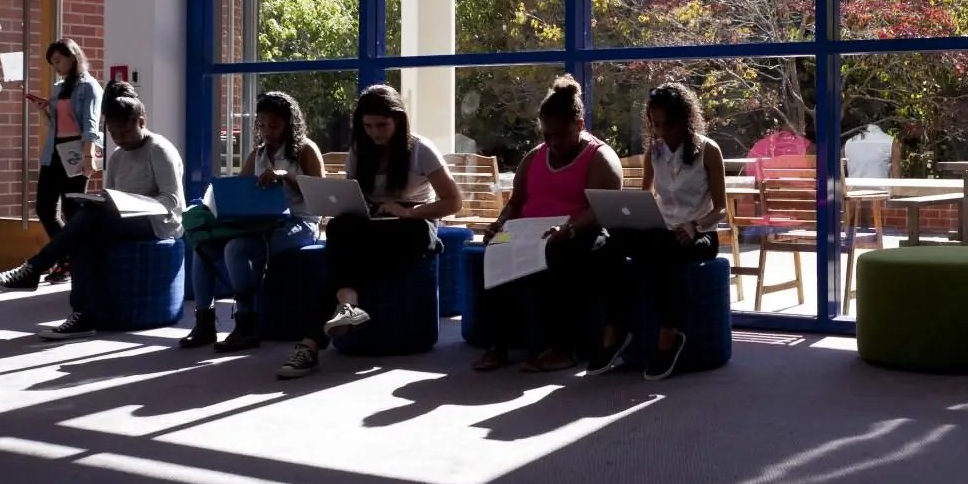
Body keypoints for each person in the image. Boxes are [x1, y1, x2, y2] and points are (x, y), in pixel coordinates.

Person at [277, 84, 463, 380]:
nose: (375, 132)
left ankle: (313, 341)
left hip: (413, 223)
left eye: (382, 125)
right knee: (339, 227)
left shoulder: (420, 149)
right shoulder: (359, 151)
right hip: (372, 223)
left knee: (346, 262)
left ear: (399, 119)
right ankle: (344, 308)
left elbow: (454, 201)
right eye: (367, 126)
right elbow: (354, 194)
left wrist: (407, 212)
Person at [0, 81, 186, 340]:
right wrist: (105, 200)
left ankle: (34, 269)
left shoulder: (160, 150)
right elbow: (112, 195)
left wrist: (133, 204)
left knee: (88, 220)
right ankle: (82, 314)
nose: (119, 139)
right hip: (126, 220)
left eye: (124, 132)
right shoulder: (117, 157)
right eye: (113, 134)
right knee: (84, 233)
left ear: (141, 122)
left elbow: (172, 202)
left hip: (160, 223)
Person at [476, 74, 622, 374]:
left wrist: (568, 229)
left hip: (580, 234)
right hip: (530, 234)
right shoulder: (533, 158)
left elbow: (600, 209)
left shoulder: (600, 158)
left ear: (579, 126)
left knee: (560, 256)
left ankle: (563, 348)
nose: (552, 143)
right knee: (493, 249)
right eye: (547, 136)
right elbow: (515, 202)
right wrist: (499, 224)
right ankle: (499, 344)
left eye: (560, 135)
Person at [595, 82, 728, 380]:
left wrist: (695, 225)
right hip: (663, 231)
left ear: (685, 119)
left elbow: (721, 208)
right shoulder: (653, 153)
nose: (661, 131)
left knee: (665, 253)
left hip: (700, 234)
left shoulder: (709, 151)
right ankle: (615, 327)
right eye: (655, 125)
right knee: (609, 242)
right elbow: (645, 198)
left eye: (667, 124)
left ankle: (669, 335)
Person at [182, 91, 325, 353]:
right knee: (202, 244)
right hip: (259, 222)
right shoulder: (257, 154)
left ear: (289, 124)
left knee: (237, 248)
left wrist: (286, 176)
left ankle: (246, 323)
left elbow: (320, 197)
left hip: (299, 222)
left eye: (274, 125)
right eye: (261, 125)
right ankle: (204, 322)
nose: (267, 132)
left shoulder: (305, 149)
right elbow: (241, 192)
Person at [22, 39, 103, 285]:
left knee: (72, 210)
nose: (56, 66)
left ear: (72, 56)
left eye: (58, 60)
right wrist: (43, 110)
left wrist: (89, 156)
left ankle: (73, 262)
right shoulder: (58, 88)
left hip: (76, 152)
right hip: (53, 152)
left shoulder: (89, 86)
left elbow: (91, 126)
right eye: (52, 63)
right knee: (45, 208)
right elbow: (54, 126)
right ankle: (67, 256)